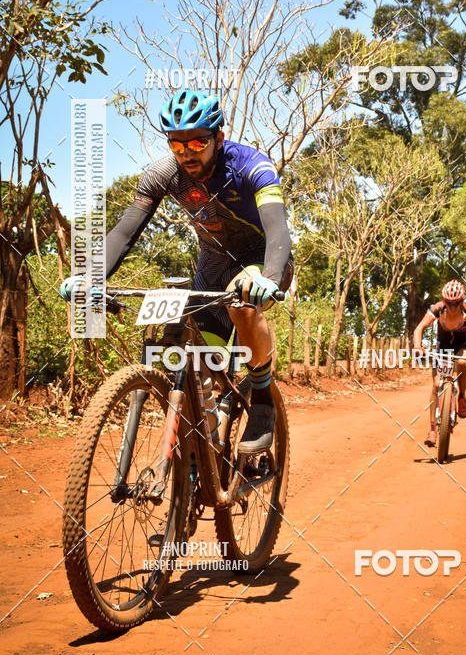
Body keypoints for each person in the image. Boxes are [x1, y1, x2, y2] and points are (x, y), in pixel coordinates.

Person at [61, 90, 293, 454]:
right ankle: (209, 440)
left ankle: (262, 397)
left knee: (242, 302)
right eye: (177, 144)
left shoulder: (251, 166)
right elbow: (125, 231)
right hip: (212, 264)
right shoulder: (164, 174)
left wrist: (271, 277)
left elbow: (278, 229)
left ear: (218, 137)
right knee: (199, 363)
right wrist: (90, 277)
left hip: (261, 261)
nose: (187, 152)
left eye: (199, 141)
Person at [412, 280, 466, 447]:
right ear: (444, 301)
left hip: (463, 345)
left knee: (463, 362)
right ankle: (433, 429)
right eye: (449, 303)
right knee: (436, 384)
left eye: (456, 303)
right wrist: (418, 346)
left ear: (462, 301)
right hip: (442, 346)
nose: (453, 306)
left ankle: (462, 396)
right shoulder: (437, 308)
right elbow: (419, 328)